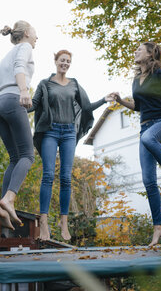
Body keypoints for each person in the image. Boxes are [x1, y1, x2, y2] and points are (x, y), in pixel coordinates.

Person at [29, 49, 114, 241]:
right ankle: (43, 221)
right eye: (62, 60)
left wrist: (104, 100)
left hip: (68, 133)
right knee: (48, 174)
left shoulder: (74, 84)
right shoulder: (45, 84)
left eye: (68, 61)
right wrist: (18, 102)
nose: (65, 64)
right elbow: (33, 105)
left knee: (66, 178)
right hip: (50, 131)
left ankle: (63, 222)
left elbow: (86, 107)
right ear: (56, 61)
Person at [113, 41, 161, 246]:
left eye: (139, 48)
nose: (135, 50)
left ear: (150, 53)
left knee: (147, 139)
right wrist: (120, 100)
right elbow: (138, 106)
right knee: (148, 180)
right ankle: (158, 227)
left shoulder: (160, 73)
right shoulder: (136, 80)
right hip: (145, 127)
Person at [0, 20, 38, 230]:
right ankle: (9, 199)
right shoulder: (25, 47)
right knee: (28, 156)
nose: (37, 38)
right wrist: (23, 90)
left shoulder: (5, 56)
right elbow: (20, 67)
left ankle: (2, 207)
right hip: (13, 99)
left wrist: (2, 98)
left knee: (15, 158)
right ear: (27, 33)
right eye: (36, 33)